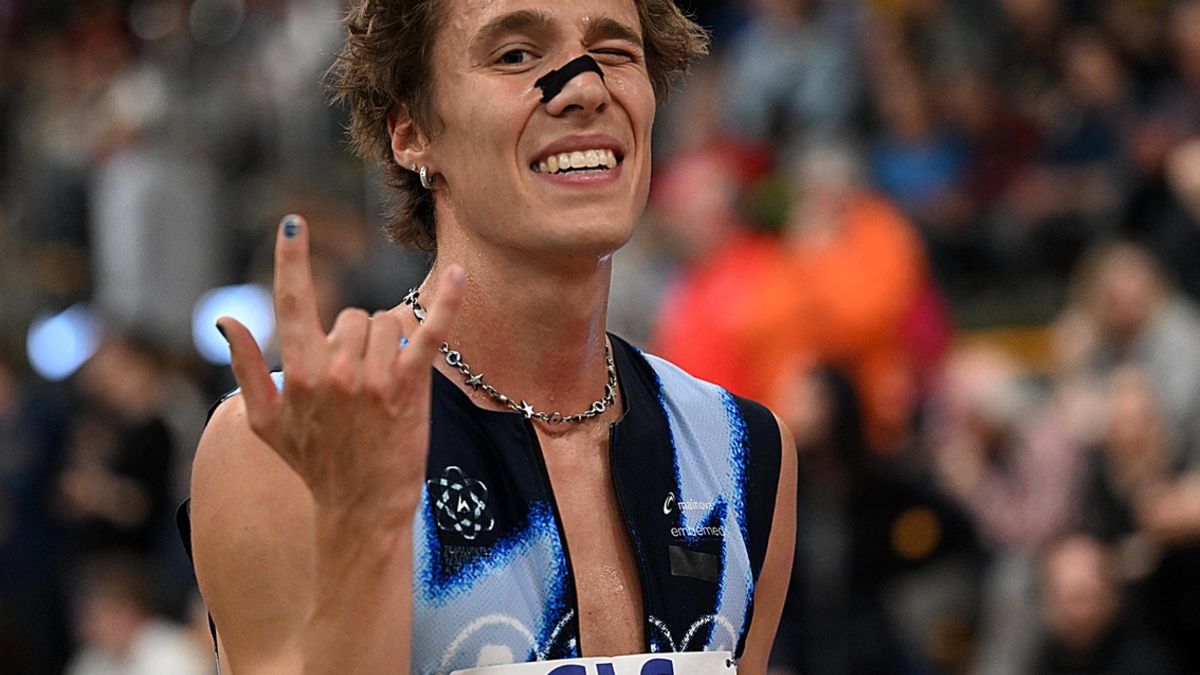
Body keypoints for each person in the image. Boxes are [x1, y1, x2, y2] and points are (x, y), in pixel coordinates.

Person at [183, 0, 797, 674]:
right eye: (515, 55)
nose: (585, 87)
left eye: (614, 51)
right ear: (412, 133)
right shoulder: (289, 438)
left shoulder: (743, 450)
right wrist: (363, 529)